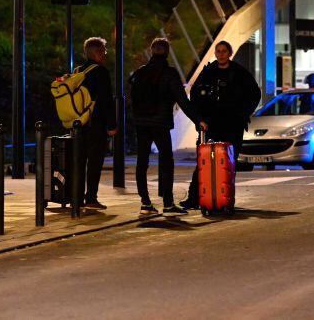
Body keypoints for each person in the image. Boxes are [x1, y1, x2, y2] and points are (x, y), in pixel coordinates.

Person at [180, 41, 261, 209]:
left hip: (233, 125)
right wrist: (199, 119)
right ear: (215, 53)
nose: (221, 54)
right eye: (218, 51)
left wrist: (243, 114)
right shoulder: (208, 72)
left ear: (229, 53)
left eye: (224, 51)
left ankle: (225, 198)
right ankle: (194, 198)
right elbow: (195, 94)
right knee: (202, 162)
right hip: (212, 125)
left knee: (229, 163)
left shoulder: (240, 73)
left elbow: (254, 94)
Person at [129, 38, 205, 215]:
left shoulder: (140, 72)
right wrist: (198, 119)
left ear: (151, 51)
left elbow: (133, 98)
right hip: (160, 122)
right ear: (167, 52)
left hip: (141, 123)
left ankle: (145, 202)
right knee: (166, 161)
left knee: (142, 162)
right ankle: (168, 203)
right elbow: (182, 100)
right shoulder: (169, 73)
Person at [76, 37, 117, 210]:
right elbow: (106, 101)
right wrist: (112, 125)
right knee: (94, 163)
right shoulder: (100, 72)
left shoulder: (77, 71)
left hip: (78, 125)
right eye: (104, 52)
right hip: (95, 124)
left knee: (79, 162)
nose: (105, 55)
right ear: (98, 53)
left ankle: (76, 198)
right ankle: (91, 198)